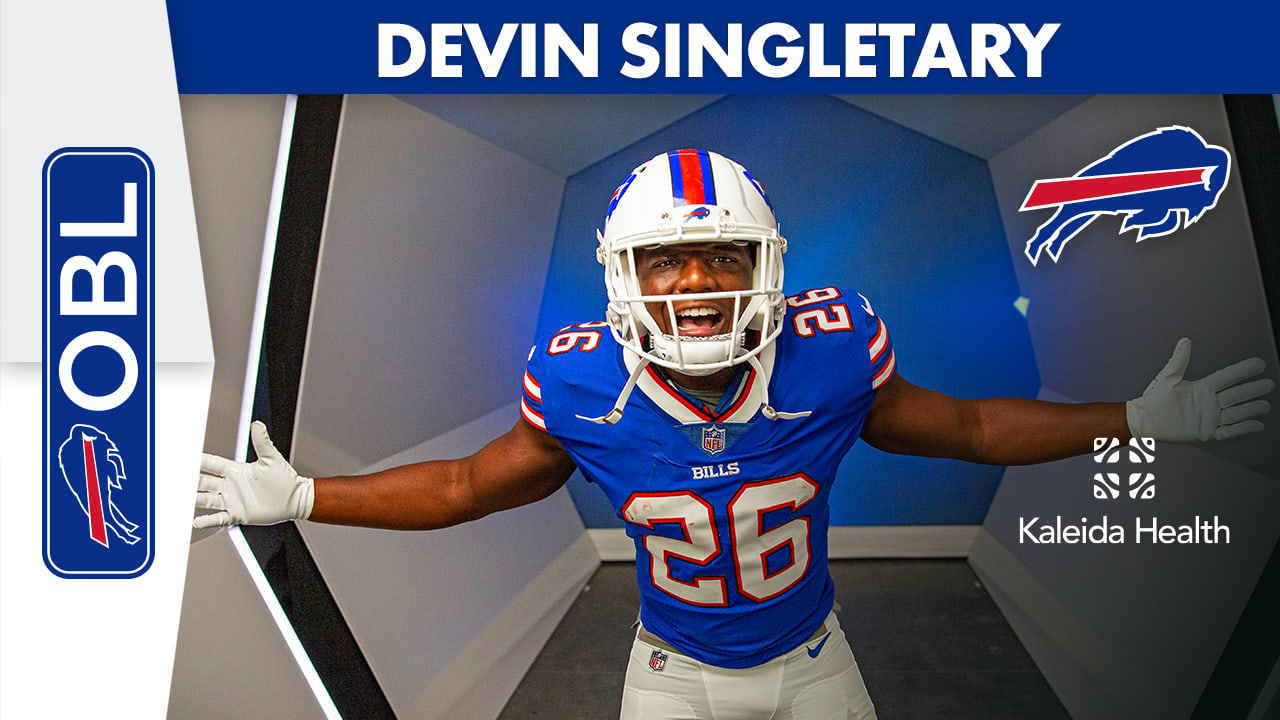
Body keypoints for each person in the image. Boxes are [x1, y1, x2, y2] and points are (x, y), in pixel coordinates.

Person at [195, 149, 1273, 719]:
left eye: (719, 253)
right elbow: (470, 486)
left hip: (815, 660)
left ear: (768, 265)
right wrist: (303, 498)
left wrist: (1137, 418)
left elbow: (976, 425)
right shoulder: (578, 385)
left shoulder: (833, 349)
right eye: (665, 260)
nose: (696, 282)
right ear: (621, 279)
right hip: (665, 670)